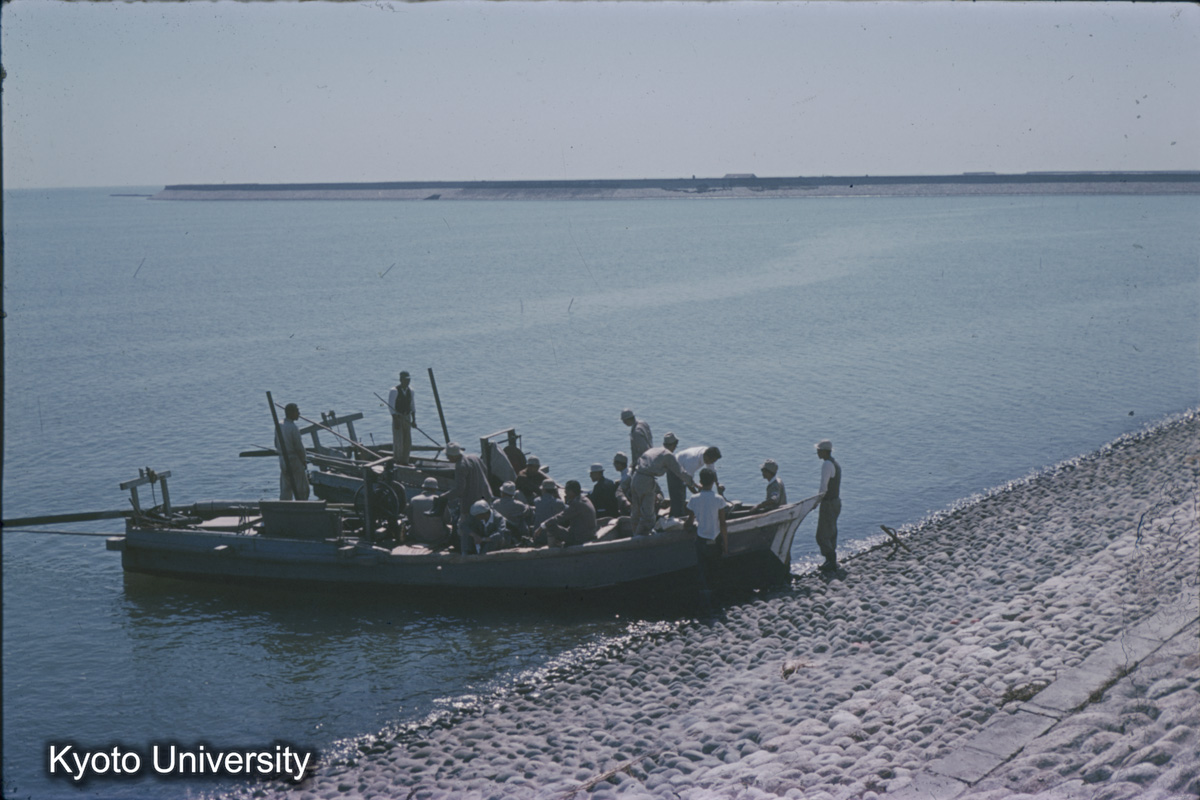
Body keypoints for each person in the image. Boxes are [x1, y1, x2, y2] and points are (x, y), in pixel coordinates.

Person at [629, 445, 699, 537]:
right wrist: (694, 484)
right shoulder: (668, 455)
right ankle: (639, 539)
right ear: (674, 444)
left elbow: (643, 468)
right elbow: (680, 473)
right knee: (648, 518)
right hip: (646, 481)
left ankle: (634, 534)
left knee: (636, 512)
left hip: (635, 478)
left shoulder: (653, 450)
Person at [440, 442, 494, 546]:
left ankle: (465, 547)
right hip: (486, 495)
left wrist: (444, 497)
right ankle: (483, 541)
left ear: (453, 456)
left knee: (463, 526)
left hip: (472, 501)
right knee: (484, 522)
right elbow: (485, 470)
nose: (447, 458)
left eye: (448, 456)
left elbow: (459, 490)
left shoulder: (460, 465)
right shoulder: (474, 457)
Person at [535, 480, 597, 548]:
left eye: (566, 491)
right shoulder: (584, 499)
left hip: (580, 538)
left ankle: (554, 547)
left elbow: (560, 517)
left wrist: (542, 526)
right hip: (588, 533)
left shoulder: (576, 504)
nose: (565, 493)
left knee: (550, 526)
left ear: (571, 492)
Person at [686, 468, 729, 556]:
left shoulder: (693, 499)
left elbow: (690, 520)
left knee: (703, 566)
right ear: (713, 482)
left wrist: (685, 526)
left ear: (700, 481)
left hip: (701, 540)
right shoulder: (719, 499)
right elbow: (722, 524)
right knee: (716, 567)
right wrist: (725, 544)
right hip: (715, 540)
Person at [815, 439, 842, 572]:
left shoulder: (826, 464)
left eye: (819, 450)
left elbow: (823, 487)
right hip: (836, 502)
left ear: (825, 451)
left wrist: (816, 502)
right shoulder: (835, 463)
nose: (817, 452)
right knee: (831, 531)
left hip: (828, 503)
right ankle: (831, 560)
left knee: (822, 534)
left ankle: (830, 561)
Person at [275, 403, 310, 501]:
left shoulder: (279, 425)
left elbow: (276, 443)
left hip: (282, 460)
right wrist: (303, 460)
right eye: (297, 411)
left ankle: (285, 507)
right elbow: (298, 447)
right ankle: (302, 508)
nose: (299, 413)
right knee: (302, 488)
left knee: (286, 488)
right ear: (291, 413)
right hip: (293, 460)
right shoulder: (293, 427)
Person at [408, 477, 450, 548]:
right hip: (437, 537)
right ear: (435, 488)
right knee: (449, 530)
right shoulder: (440, 500)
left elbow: (410, 519)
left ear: (423, 487)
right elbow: (447, 520)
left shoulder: (413, 500)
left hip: (418, 537)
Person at [388, 371, 416, 464]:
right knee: (398, 440)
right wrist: (395, 420)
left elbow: (412, 405)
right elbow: (391, 407)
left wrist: (414, 420)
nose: (407, 382)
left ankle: (405, 460)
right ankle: (397, 460)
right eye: (405, 380)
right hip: (398, 417)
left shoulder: (410, 390)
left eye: (409, 380)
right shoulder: (394, 391)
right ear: (401, 380)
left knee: (407, 441)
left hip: (407, 417)